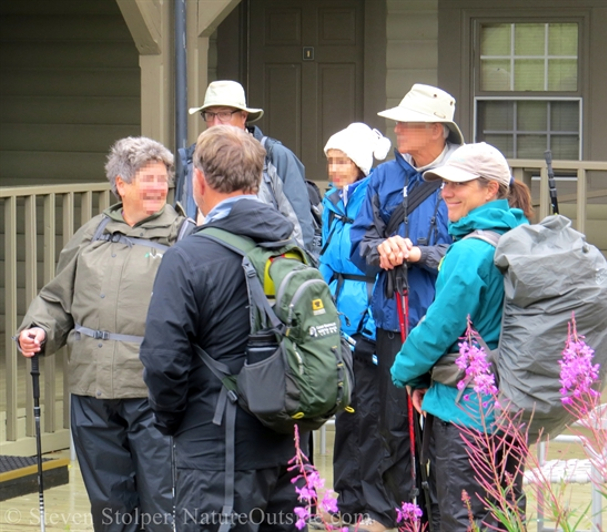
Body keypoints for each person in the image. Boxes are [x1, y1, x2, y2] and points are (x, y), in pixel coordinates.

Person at [15, 136, 189, 532]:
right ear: (121, 184)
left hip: (154, 392)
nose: (158, 188)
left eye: (163, 179)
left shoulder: (184, 238)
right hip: (92, 388)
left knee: (164, 500)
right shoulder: (92, 233)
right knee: (108, 502)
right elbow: (58, 298)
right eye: (148, 179)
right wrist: (38, 329)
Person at [140, 125, 301, 532]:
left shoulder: (188, 257)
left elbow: (162, 359)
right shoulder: (289, 247)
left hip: (213, 451)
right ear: (256, 178)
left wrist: (171, 421)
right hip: (287, 444)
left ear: (199, 180)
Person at [390, 142, 534, 531]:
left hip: (466, 412)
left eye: (458, 184)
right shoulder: (519, 238)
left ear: (490, 189)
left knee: (463, 519)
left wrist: (406, 373)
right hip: (510, 410)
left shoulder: (470, 251)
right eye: (443, 183)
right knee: (505, 515)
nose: (445, 191)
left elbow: (440, 327)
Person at [349, 84, 464, 531]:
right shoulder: (382, 178)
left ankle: (442, 518)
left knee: (443, 427)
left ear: (436, 129)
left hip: (448, 325)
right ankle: (400, 516)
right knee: (394, 425)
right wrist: (386, 250)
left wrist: (420, 254)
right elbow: (361, 245)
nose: (396, 128)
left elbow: (472, 250)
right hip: (392, 320)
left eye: (408, 122)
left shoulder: (465, 173)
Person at [316, 123, 391, 528]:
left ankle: (372, 503)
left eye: (342, 160)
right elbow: (327, 258)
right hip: (338, 322)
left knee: (370, 416)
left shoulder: (374, 200)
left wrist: (370, 321)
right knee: (346, 413)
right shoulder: (332, 201)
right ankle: (347, 501)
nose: (334, 167)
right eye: (330, 160)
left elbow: (375, 265)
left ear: (360, 164)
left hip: (370, 323)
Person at [176, 79, 314, 253]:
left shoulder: (274, 157)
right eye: (210, 115)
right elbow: (184, 221)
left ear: (243, 116)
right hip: (204, 268)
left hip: (262, 270)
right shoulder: (192, 160)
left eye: (224, 114)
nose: (216, 123)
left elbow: (300, 231)